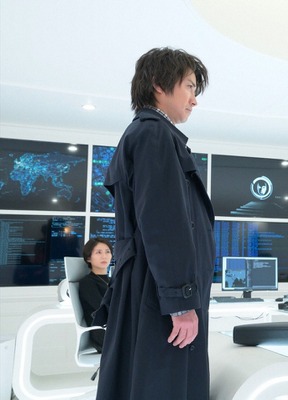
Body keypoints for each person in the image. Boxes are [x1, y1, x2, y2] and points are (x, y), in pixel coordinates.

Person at [92, 47, 215, 400]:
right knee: (163, 386)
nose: (194, 99)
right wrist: (181, 303)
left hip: (149, 287)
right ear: (160, 84)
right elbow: (164, 223)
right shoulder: (154, 135)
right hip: (158, 295)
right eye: (189, 87)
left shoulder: (144, 135)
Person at [79, 238, 112, 353]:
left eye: (107, 252)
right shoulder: (87, 283)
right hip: (104, 334)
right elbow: (103, 310)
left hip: (116, 329)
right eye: (98, 252)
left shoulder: (113, 281)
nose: (104, 256)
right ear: (88, 258)